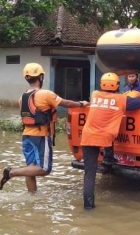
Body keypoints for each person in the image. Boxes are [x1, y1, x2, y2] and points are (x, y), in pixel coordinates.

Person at [0, 63, 89, 192]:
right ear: (41, 77)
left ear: (27, 78)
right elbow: (66, 103)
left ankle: (32, 197)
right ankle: (11, 173)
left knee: (30, 168)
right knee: (44, 169)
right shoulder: (45, 94)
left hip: (26, 136)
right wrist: (81, 103)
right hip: (40, 136)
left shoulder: (22, 98)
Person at [80, 72, 140, 209]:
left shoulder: (95, 94)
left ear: (101, 84)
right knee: (109, 142)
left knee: (89, 174)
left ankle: (88, 207)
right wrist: (134, 94)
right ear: (117, 85)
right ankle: (109, 160)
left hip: (88, 136)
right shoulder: (121, 99)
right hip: (106, 138)